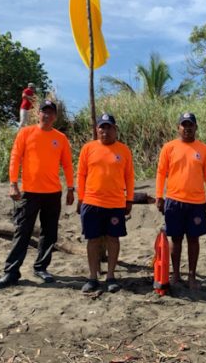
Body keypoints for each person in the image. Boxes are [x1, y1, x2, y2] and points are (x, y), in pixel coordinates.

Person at [0, 100, 74, 289]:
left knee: (49, 233)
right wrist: (13, 184)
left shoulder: (60, 138)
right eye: (44, 112)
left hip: (53, 193)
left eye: (51, 113)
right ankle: (11, 272)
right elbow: (15, 157)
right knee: (22, 232)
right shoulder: (26, 133)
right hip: (29, 192)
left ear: (55, 116)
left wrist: (71, 188)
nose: (47, 115)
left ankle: (41, 267)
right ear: (38, 114)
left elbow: (68, 164)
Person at [156, 112, 206, 290]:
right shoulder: (169, 147)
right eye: (184, 125)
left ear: (196, 127)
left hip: (197, 202)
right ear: (178, 127)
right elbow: (161, 173)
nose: (187, 128)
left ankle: (191, 274)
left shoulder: (204, 149)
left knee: (193, 239)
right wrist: (159, 196)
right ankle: (175, 274)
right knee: (176, 238)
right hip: (174, 200)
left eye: (191, 125)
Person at [77, 113, 134, 293]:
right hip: (92, 202)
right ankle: (93, 277)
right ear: (97, 129)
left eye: (109, 127)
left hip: (115, 204)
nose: (105, 131)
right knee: (92, 240)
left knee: (113, 239)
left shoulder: (124, 150)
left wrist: (129, 199)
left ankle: (110, 276)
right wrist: (80, 198)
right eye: (102, 127)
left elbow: (129, 177)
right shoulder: (88, 148)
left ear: (115, 129)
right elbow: (81, 175)